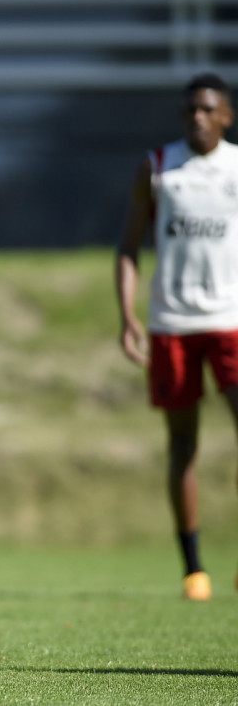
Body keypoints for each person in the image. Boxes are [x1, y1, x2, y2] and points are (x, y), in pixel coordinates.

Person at [116, 72, 238, 603]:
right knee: (183, 447)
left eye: (208, 109)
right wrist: (127, 315)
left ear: (226, 116)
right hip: (172, 326)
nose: (198, 118)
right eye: (191, 110)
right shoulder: (159, 167)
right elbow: (128, 247)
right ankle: (194, 568)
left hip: (230, 322)